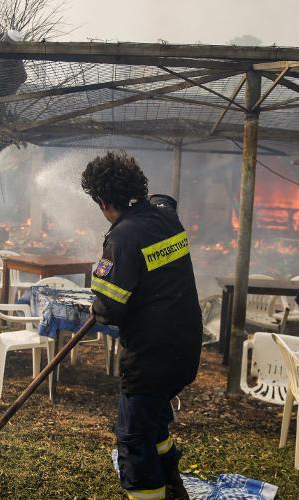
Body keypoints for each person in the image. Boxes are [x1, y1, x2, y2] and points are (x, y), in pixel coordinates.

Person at [81, 150, 202, 500]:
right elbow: (166, 201)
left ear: (103, 201)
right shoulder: (165, 218)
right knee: (154, 422)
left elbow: (109, 310)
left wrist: (98, 303)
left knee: (133, 438)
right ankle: (174, 488)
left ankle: (153, 493)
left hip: (150, 358)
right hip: (185, 349)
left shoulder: (122, 238)